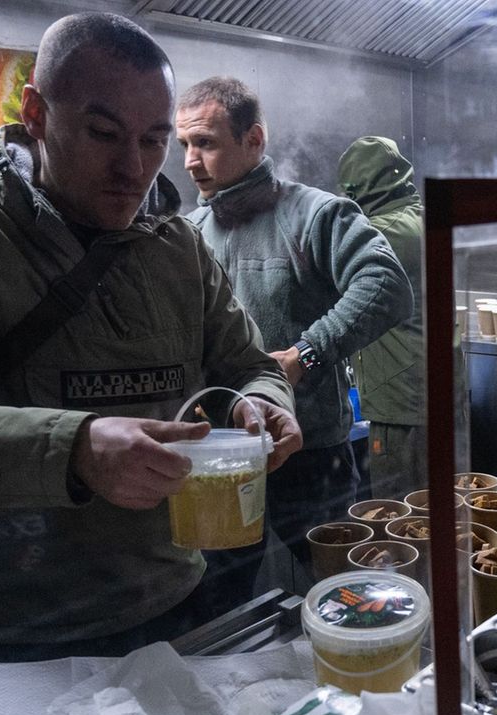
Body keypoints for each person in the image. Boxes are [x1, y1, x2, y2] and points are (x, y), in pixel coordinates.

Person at [0, 13, 301, 663]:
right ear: (35, 112)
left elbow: (248, 362)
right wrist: (74, 449)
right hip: (24, 633)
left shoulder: (179, 248)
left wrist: (264, 402)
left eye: (155, 139)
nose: (132, 168)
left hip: (179, 602)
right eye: (103, 133)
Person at [175, 79, 413, 595]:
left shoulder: (315, 214)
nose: (192, 161)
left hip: (310, 457)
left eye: (206, 143)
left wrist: (306, 353)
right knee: (217, 605)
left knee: (346, 595)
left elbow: (387, 285)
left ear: (254, 140)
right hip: (223, 459)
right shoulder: (188, 231)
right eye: (185, 146)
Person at [336, 136, 427, 501]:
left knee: (402, 520)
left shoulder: (382, 234)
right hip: (433, 395)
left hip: (400, 407)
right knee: (436, 515)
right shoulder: (420, 218)